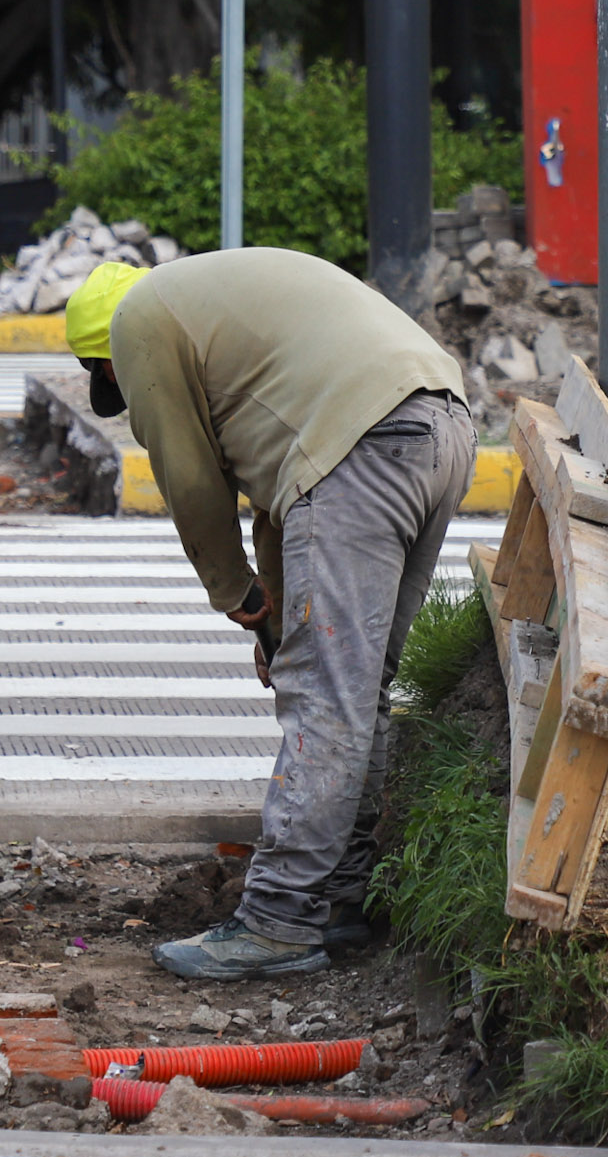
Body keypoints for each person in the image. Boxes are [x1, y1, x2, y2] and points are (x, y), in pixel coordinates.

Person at [66, 251, 473, 981]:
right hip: (437, 426)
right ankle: (343, 896)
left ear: (108, 362)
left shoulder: (138, 323)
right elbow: (285, 502)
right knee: (359, 690)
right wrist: (276, 618)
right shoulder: (220, 313)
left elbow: (191, 484)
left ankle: (279, 920)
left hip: (364, 450)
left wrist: (236, 594)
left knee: (326, 701)